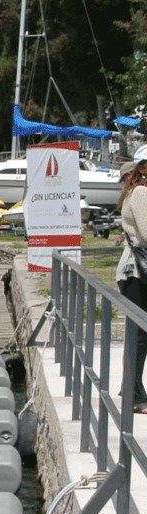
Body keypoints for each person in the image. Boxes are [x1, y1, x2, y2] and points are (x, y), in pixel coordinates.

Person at [119, 144, 147, 412]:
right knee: (139, 333)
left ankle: (129, 388)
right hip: (137, 270)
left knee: (138, 333)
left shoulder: (136, 191)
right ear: (142, 167)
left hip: (134, 270)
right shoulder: (140, 193)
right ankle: (135, 397)